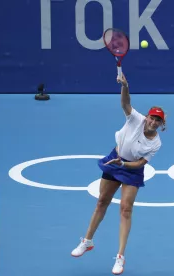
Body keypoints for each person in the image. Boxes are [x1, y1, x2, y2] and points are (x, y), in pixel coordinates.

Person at [70, 72, 166, 275]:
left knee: (125, 209)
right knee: (101, 201)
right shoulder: (135, 119)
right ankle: (87, 241)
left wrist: (124, 164)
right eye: (152, 117)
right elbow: (126, 103)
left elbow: (140, 162)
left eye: (158, 120)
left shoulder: (156, 143)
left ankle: (120, 257)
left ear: (161, 124)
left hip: (131, 169)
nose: (153, 121)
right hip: (115, 159)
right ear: (147, 117)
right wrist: (125, 86)